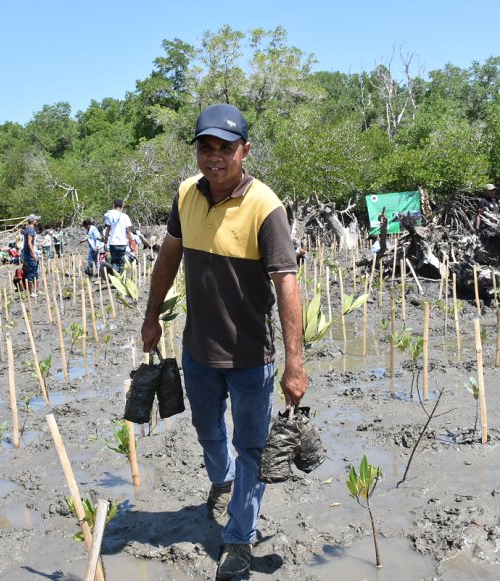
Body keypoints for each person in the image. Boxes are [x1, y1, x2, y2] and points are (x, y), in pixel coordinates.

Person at [141, 103, 307, 581]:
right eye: (206, 147)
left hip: (251, 356)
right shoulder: (185, 197)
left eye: (226, 148)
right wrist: (152, 316)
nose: (215, 157)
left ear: (244, 151)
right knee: (208, 430)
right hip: (198, 350)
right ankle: (223, 480)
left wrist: (295, 364)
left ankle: (239, 539)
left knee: (252, 446)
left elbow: (287, 285)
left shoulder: (265, 207)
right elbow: (169, 259)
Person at [103, 199, 135, 273]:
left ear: (114, 206)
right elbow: (128, 231)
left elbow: (107, 230)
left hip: (113, 243)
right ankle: (120, 279)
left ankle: (115, 278)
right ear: (122, 206)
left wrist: (105, 242)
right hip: (122, 243)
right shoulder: (125, 216)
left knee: (114, 261)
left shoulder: (110, 216)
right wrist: (130, 243)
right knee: (121, 262)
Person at [23, 215, 41, 297]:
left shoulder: (28, 229)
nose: (37, 221)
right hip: (30, 255)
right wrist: (33, 254)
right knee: (31, 273)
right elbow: (29, 242)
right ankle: (31, 293)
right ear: (33, 221)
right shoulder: (30, 230)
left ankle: (37, 290)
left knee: (35, 272)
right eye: (36, 220)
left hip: (30, 253)